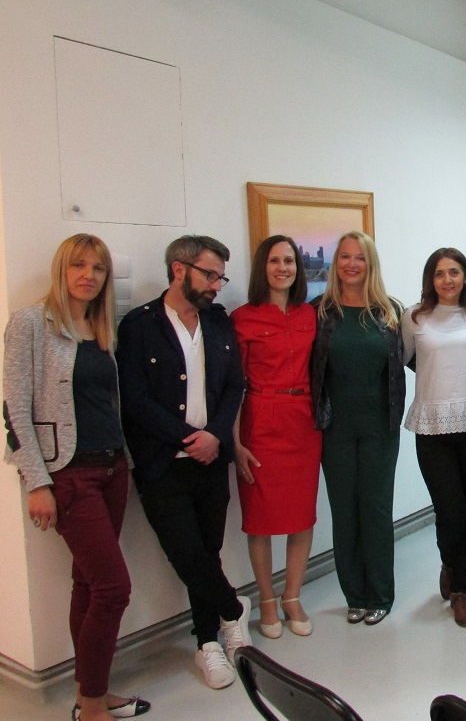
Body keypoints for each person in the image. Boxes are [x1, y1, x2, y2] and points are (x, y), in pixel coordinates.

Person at [3, 235, 150, 721]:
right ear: (62, 269)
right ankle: (91, 706)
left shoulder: (102, 326)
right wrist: (36, 482)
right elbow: (14, 409)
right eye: (79, 265)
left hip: (112, 468)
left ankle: (92, 691)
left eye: (98, 268)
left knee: (88, 584)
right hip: (68, 474)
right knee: (113, 589)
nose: (88, 275)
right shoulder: (31, 322)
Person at [116, 235, 251, 690]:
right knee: (187, 553)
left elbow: (234, 385)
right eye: (209, 275)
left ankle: (207, 642)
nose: (216, 285)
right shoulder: (139, 326)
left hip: (211, 460)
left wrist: (215, 435)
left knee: (208, 552)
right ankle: (233, 610)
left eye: (220, 277)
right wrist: (187, 438)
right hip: (162, 463)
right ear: (178, 270)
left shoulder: (217, 321)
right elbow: (134, 399)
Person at [310, 231, 404, 626]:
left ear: (370, 264)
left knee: (376, 510)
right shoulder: (319, 311)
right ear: (336, 264)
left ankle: (380, 595)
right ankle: (355, 594)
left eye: (360, 257)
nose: (352, 264)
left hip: (380, 427)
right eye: (345, 257)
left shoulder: (390, 311)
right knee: (344, 511)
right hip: (335, 428)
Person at [231, 235, 321, 639]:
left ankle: (292, 596)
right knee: (261, 519)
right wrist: (235, 442)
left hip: (303, 422)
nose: (282, 268)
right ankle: (267, 600)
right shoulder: (242, 318)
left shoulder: (311, 314)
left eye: (289, 261)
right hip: (260, 422)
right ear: (262, 267)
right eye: (274, 261)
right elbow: (231, 386)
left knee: (302, 516)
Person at [402, 247, 466, 628]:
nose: (447, 279)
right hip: (432, 426)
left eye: (454, 272)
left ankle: (460, 587)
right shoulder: (415, 316)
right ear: (431, 279)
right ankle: (450, 563)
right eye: (439, 273)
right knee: (450, 509)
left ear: (465, 277)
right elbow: (405, 358)